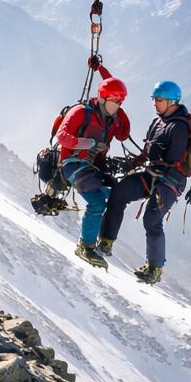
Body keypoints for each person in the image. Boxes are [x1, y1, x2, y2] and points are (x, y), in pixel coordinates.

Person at [100, 79, 191, 285]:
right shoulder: (157, 122)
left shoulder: (186, 128)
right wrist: (131, 164)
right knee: (119, 193)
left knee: (151, 219)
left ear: (171, 101)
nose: (155, 103)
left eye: (158, 100)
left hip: (172, 180)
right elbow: (147, 152)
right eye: (154, 99)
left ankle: (154, 269)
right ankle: (105, 242)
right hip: (152, 174)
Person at [49, 56, 132, 269]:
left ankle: (101, 242)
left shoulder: (111, 117)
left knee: (114, 196)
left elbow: (112, 84)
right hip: (72, 163)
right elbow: (62, 136)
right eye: (115, 102)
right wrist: (85, 143)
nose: (118, 106)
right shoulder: (81, 112)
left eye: (120, 102)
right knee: (98, 201)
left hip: (91, 166)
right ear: (104, 99)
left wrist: (100, 68)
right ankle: (86, 246)